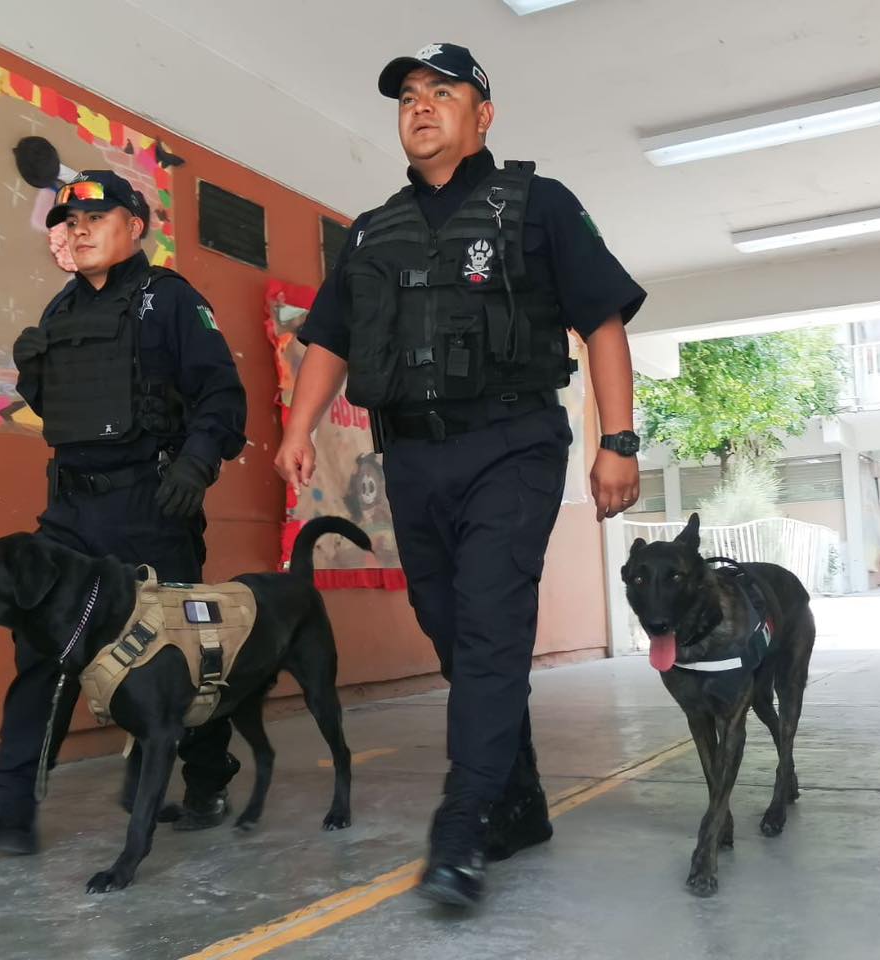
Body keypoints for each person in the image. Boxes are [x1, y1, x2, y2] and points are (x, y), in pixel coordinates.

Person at [274, 43, 645, 907]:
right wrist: (299, 428)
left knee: (487, 630)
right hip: (413, 453)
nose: (421, 106)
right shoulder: (371, 230)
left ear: (483, 114)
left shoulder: (538, 205)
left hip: (512, 443)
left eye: (443, 92)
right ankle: (518, 801)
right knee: (451, 630)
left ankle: (462, 826)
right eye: (408, 95)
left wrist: (617, 440)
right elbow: (329, 339)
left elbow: (603, 321)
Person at [0, 171, 248, 855]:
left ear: (136, 225)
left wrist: (197, 464)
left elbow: (221, 393)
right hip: (71, 508)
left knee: (182, 655)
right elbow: (77, 416)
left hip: (153, 502)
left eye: (96, 216)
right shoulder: (61, 312)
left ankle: (208, 774)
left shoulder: (170, 300)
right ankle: (10, 805)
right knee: (42, 648)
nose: (78, 228)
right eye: (68, 219)